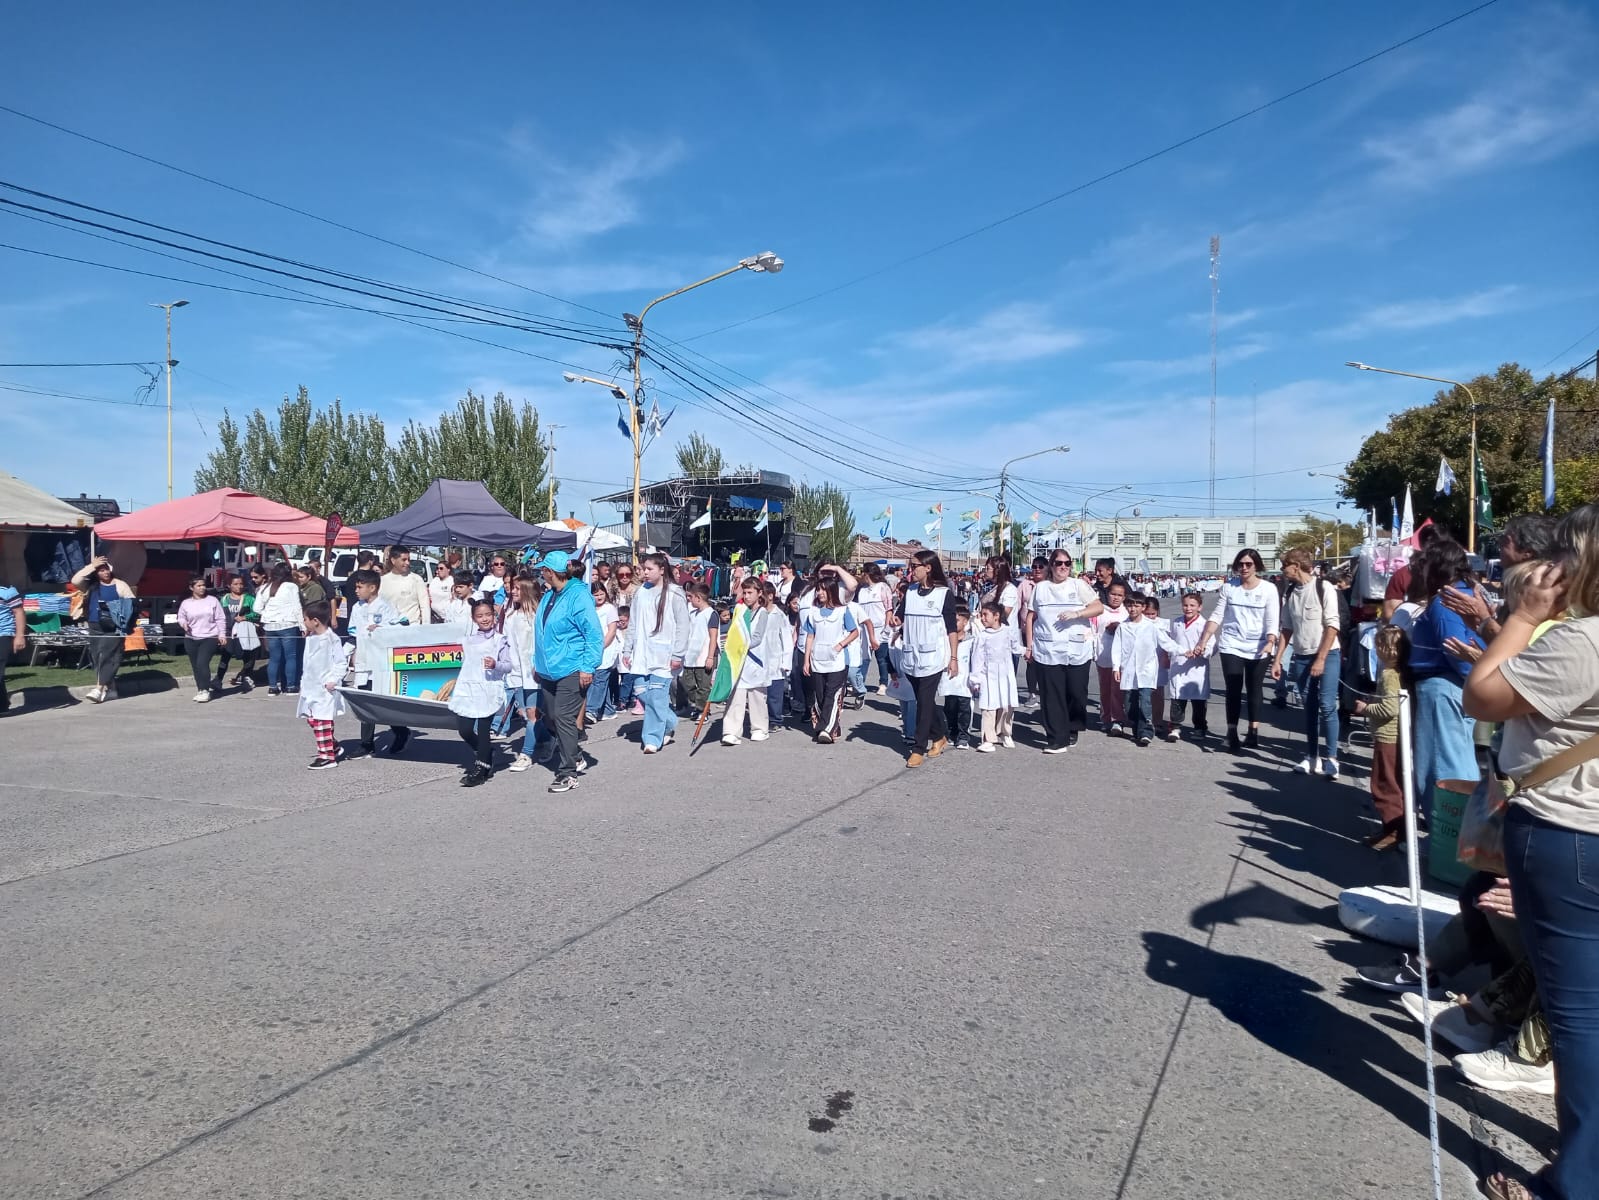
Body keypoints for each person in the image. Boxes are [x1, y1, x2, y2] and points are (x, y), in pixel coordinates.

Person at [1463, 502, 1599, 1200]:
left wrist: (1517, 618)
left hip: (1568, 832)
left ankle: (1576, 1181)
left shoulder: (1581, 642)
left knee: (1577, 1016)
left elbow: (1481, 697)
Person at [1408, 539, 1486, 811]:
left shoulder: (1446, 600)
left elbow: (1455, 648)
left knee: (1442, 767)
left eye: (1426, 563)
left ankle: (1447, 838)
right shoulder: (1467, 593)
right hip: (1454, 686)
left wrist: (1474, 679)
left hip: (1443, 688)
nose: (1421, 570)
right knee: (1454, 761)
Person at [1196, 548, 1281, 753]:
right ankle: (1231, 732)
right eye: (1240, 564)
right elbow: (1217, 616)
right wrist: (1204, 640)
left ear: (1257, 566)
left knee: (1254, 688)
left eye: (1248, 564)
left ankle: (1253, 731)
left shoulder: (1268, 589)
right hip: (1232, 644)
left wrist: (1270, 642)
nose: (1244, 568)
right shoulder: (1229, 588)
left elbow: (1272, 620)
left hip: (1259, 646)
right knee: (1233, 688)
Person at [535, 550, 604, 791]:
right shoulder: (549, 595)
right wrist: (538, 663)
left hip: (572, 667)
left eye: (543, 570)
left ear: (551, 572)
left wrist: (588, 667)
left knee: (564, 717)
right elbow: (542, 632)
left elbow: (594, 634)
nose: (540, 573)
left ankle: (567, 773)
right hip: (548, 669)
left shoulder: (578, 596)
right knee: (552, 717)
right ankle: (574, 754)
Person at [1273, 548, 1344, 777]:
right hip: (1302, 655)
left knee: (1326, 704)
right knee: (1309, 707)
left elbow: (1332, 626)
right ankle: (1311, 756)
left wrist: (1321, 659)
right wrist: (1277, 660)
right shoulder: (1291, 592)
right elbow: (1286, 628)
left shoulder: (1324, 588)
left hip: (1327, 654)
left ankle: (1332, 758)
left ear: (1296, 565)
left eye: (1285, 566)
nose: (1283, 570)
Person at [1026, 551, 1102, 754]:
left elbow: (1098, 607)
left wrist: (1077, 613)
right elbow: (1030, 616)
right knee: (1052, 695)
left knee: (1076, 693)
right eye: (1059, 563)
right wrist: (1029, 645)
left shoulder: (1078, 585)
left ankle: (1073, 725)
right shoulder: (1041, 588)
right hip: (1047, 649)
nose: (1063, 567)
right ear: (1051, 565)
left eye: (1067, 563)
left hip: (1076, 648)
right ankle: (1056, 738)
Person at [894, 549, 960, 767]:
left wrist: (953, 658)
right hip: (911, 655)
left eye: (914, 566)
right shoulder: (910, 592)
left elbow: (951, 629)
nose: (910, 570)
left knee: (923, 702)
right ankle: (940, 736)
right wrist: (895, 621)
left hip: (933, 657)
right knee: (925, 701)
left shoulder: (943, 594)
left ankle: (918, 747)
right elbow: (900, 616)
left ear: (928, 568)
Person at [1353, 624, 1408, 850]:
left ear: (1385, 649)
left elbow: (1390, 708)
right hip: (1396, 736)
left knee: (1384, 784)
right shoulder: (1401, 672)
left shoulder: (1388, 675)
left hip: (1388, 736)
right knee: (1392, 782)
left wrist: (1365, 708)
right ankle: (1391, 828)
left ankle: (1393, 830)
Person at [346, 568, 410, 759]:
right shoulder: (357, 607)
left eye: (360, 587)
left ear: (372, 588)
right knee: (365, 704)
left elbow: (403, 624)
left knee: (384, 704)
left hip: (381, 663)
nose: (356, 590)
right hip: (364, 662)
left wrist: (382, 629)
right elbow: (352, 632)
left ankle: (401, 731)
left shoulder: (385, 606)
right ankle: (366, 744)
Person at [450, 597, 513, 787]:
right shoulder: (467, 640)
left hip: (488, 689)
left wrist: (496, 664)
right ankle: (486, 753)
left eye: (488, 614)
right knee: (465, 729)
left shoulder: (499, 640)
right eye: (480, 616)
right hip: (468, 688)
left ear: (494, 616)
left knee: (484, 730)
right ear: (474, 618)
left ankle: (481, 768)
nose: (485, 619)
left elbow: (508, 665)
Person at [71, 555, 136, 704]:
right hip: (95, 624)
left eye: (106, 570)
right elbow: (75, 580)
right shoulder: (91, 586)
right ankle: (111, 688)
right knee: (96, 656)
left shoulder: (120, 585)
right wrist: (91, 566)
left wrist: (124, 622)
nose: (105, 572)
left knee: (108, 656)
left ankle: (99, 688)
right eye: (101, 570)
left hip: (114, 627)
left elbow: (131, 604)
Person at [801, 578, 858, 744]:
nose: (819, 593)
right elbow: (809, 637)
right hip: (818, 660)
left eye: (822, 590)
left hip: (836, 661)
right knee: (820, 696)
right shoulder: (813, 612)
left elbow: (854, 632)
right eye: (818, 590)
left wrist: (841, 645)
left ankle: (825, 729)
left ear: (831, 591)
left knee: (832, 696)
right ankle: (832, 727)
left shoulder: (842, 611)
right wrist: (806, 661)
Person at [721, 578, 774, 745]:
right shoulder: (740, 611)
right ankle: (731, 731)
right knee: (735, 697)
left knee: (757, 697)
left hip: (755, 661)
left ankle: (759, 729)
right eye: (744, 592)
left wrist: (741, 644)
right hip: (739, 661)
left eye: (750, 592)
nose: (747, 596)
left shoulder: (763, 613)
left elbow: (757, 638)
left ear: (759, 593)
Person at [298, 600, 347, 770]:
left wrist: (333, 679)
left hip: (326, 687)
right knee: (312, 720)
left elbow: (341, 663)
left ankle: (327, 756)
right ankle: (333, 746)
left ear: (315, 621)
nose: (304, 622)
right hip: (310, 686)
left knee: (323, 721)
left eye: (305, 619)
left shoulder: (331, 639)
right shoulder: (311, 638)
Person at [1159, 591, 1212, 745]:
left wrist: (1203, 651)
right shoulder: (1176, 623)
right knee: (1177, 699)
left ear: (1199, 607)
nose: (1188, 608)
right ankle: (1175, 726)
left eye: (1192, 605)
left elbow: (1212, 645)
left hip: (1197, 668)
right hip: (1179, 665)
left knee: (1198, 701)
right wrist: (1170, 655)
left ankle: (1200, 727)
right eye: (1185, 605)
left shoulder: (1204, 625)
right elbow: (1171, 641)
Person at [1113, 594, 1162, 747]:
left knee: (1145, 701)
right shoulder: (1122, 626)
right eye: (1130, 605)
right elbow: (1117, 648)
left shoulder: (1150, 626)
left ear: (1143, 608)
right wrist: (1116, 667)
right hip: (1128, 671)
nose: (1133, 609)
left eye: (1137, 605)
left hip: (1146, 670)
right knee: (1129, 705)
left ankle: (1146, 732)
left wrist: (1184, 651)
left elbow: (1166, 642)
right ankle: (1137, 729)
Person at [970, 600, 1018, 752]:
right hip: (988, 674)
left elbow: (1015, 647)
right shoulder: (982, 636)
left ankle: (1005, 733)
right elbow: (977, 658)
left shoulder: (1007, 631)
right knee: (988, 707)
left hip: (1005, 672)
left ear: (996, 616)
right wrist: (976, 678)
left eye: (986, 615)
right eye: (982, 615)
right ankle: (988, 738)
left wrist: (1028, 651)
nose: (982, 618)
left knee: (1006, 705)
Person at [175, 576, 228, 703]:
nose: (202, 588)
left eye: (203, 585)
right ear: (191, 588)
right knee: (195, 666)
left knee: (202, 663)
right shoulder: (186, 603)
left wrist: (222, 634)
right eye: (199, 586)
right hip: (191, 638)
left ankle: (205, 690)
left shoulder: (213, 601)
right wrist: (183, 624)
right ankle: (200, 689)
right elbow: (180, 617)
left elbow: (220, 618)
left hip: (209, 637)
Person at [257, 561, 305, 697]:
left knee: (274, 658)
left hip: (270, 625)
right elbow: (297, 607)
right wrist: (302, 625)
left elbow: (257, 608)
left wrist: (268, 613)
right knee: (291, 656)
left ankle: (272, 687)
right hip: (288, 624)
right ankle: (291, 686)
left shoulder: (265, 588)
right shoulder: (291, 586)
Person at [1095, 582, 1130, 735]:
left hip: (1121, 659)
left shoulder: (1128, 613)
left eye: (1119, 595)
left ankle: (1117, 719)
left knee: (1118, 690)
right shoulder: (1099, 611)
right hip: (1103, 655)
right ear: (1107, 594)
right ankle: (1106, 718)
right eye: (1113, 594)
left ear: (1124, 597)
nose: (1116, 598)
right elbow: (1093, 631)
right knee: (1105, 690)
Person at [938, 605, 975, 749]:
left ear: (965, 622)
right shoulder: (946, 638)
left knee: (964, 710)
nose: (954, 623)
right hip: (949, 680)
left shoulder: (971, 641)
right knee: (950, 709)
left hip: (965, 681)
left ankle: (963, 736)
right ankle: (952, 733)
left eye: (958, 620)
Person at [215, 573, 260, 691]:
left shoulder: (249, 599)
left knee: (247, 655)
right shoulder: (224, 599)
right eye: (235, 584)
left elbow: (257, 614)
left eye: (241, 584)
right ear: (229, 586)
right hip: (229, 632)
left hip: (244, 631)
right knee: (226, 655)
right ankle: (218, 680)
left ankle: (247, 678)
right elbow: (219, 616)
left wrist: (245, 617)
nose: (239, 586)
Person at [680, 583, 718, 717]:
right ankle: (698, 705)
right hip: (691, 655)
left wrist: (710, 656)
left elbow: (713, 637)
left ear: (698, 598)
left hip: (704, 656)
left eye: (691, 597)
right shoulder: (693, 613)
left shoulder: (711, 614)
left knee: (703, 686)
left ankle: (703, 711)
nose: (689, 600)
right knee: (687, 682)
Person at [586, 583, 621, 723]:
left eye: (601, 594)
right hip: (593, 649)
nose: (599, 597)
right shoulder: (590, 609)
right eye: (596, 595)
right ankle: (608, 710)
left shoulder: (609, 608)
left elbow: (612, 631)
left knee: (600, 679)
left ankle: (591, 710)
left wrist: (602, 646)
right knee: (598, 680)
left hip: (607, 648)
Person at [379, 547, 431, 626]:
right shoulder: (382, 581)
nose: (407, 563)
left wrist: (425, 628)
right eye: (404, 560)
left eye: (408, 560)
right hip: (389, 629)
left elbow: (425, 607)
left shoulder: (416, 579)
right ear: (393, 560)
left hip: (412, 628)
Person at [0, 576, 22, 714]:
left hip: (3, 634)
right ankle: (2, 705)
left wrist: (19, 636)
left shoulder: (7, 591)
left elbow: (18, 612)